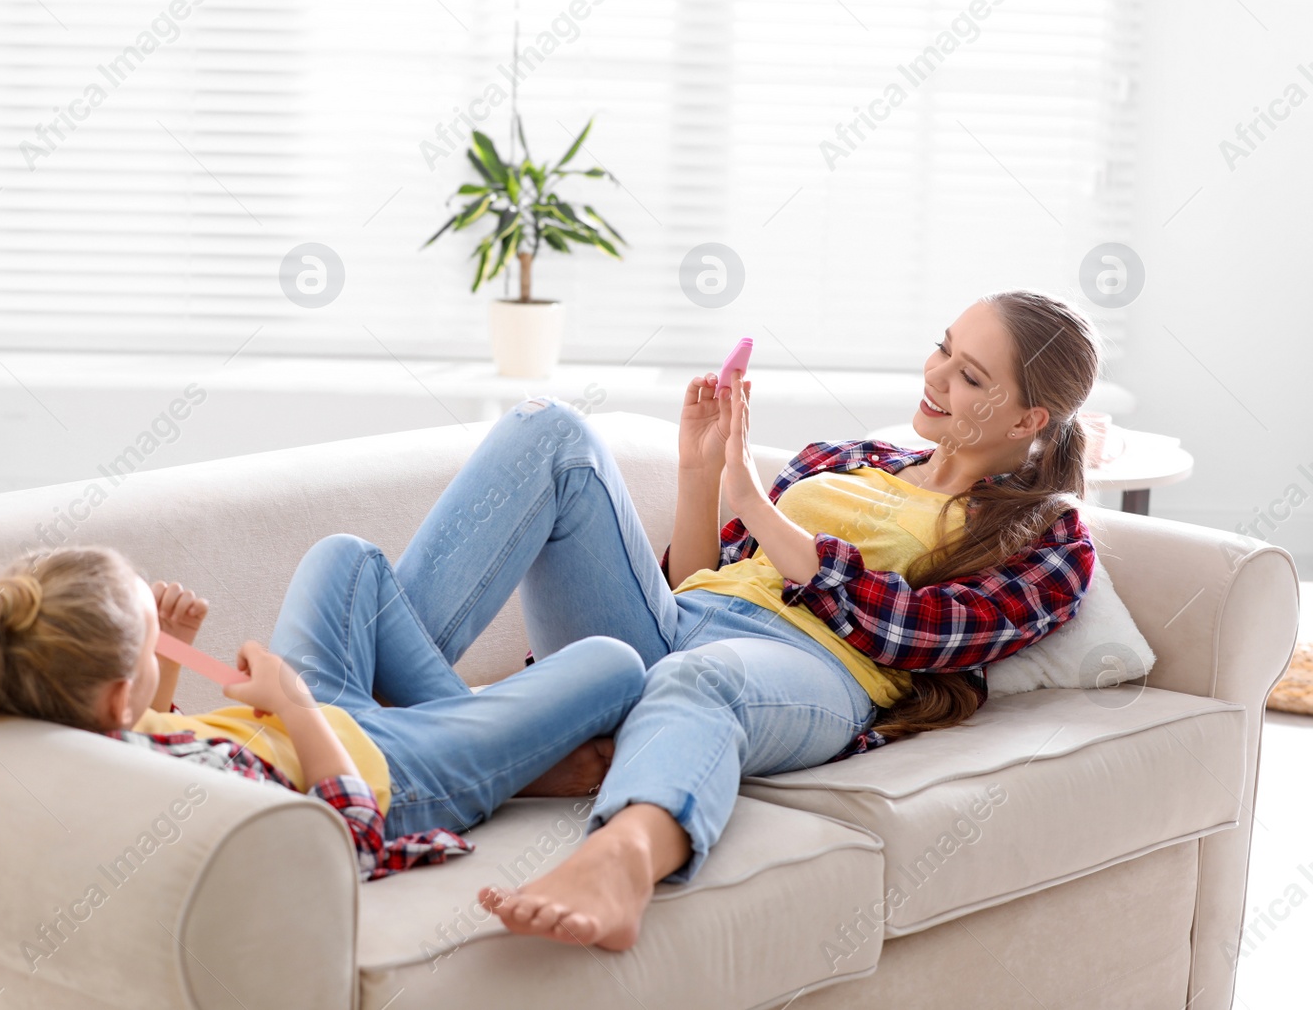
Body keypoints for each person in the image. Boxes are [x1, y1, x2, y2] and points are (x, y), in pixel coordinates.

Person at [446, 289, 1100, 949]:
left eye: (970, 376)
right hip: (683, 624)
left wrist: (758, 507)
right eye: (944, 348)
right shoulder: (841, 461)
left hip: (816, 670)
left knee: (700, 677)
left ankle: (619, 864)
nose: (935, 376)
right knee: (551, 429)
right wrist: (700, 472)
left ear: (1026, 421)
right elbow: (694, 583)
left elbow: (924, 632)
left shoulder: (1048, 537)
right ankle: (401, 679)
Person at [0, 535, 647, 880]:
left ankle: (500, 751)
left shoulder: (77, 718)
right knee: (614, 661)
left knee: (344, 559)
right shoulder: (197, 789)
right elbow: (348, 836)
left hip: (311, 720)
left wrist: (168, 654)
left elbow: (149, 728)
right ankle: (493, 762)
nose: (156, 654)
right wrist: (295, 702)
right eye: (144, 648)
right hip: (394, 776)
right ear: (115, 692)